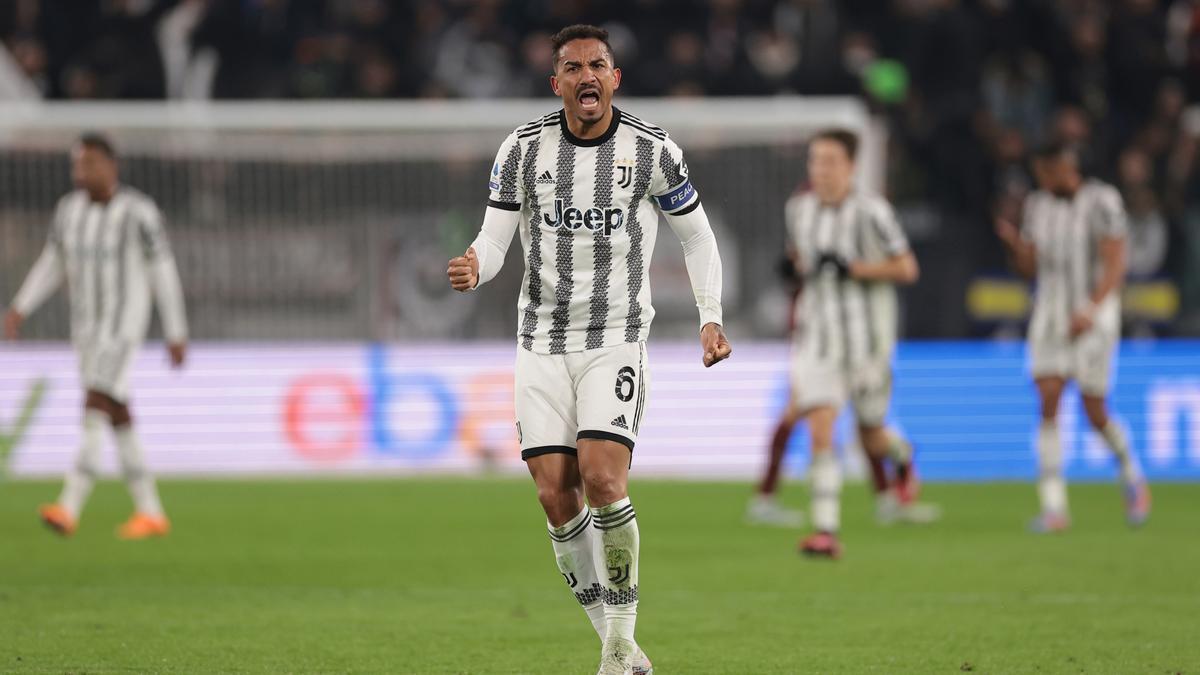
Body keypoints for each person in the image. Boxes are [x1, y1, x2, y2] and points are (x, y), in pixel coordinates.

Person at [446, 24, 730, 675]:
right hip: (540, 344)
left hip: (615, 340)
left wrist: (709, 318)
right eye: (572, 68)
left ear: (615, 78)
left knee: (603, 477)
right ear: (558, 84)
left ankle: (614, 649)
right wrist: (473, 264)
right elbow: (494, 241)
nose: (586, 76)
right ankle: (620, 643)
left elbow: (697, 237)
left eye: (597, 64)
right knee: (556, 494)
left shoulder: (652, 151)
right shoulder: (521, 149)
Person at [4, 132, 187, 540]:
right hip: (85, 329)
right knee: (118, 413)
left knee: (95, 403)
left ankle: (68, 506)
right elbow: (53, 262)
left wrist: (176, 331)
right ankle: (151, 512)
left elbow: (164, 273)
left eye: (87, 164)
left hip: (123, 327)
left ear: (110, 166)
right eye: (76, 164)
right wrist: (20, 306)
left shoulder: (139, 213)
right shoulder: (68, 212)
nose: (79, 172)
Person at [783, 129, 931, 559]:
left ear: (850, 167)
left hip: (868, 344)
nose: (821, 170)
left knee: (871, 435)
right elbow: (802, 260)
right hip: (819, 341)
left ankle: (901, 453)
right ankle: (826, 529)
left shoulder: (873, 213)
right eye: (815, 161)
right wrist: (794, 269)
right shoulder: (799, 210)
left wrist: (856, 269)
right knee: (821, 425)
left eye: (830, 161)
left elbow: (907, 268)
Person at [995, 142, 1150, 532]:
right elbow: (1029, 268)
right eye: (1040, 174)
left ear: (1068, 167)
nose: (1045, 180)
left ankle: (1132, 474)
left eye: (1050, 172)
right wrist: (1014, 245)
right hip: (1050, 313)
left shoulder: (1102, 200)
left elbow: (1116, 260)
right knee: (1048, 397)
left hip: (1095, 314)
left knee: (1093, 408)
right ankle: (1054, 507)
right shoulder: (1037, 205)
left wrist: (1092, 308)